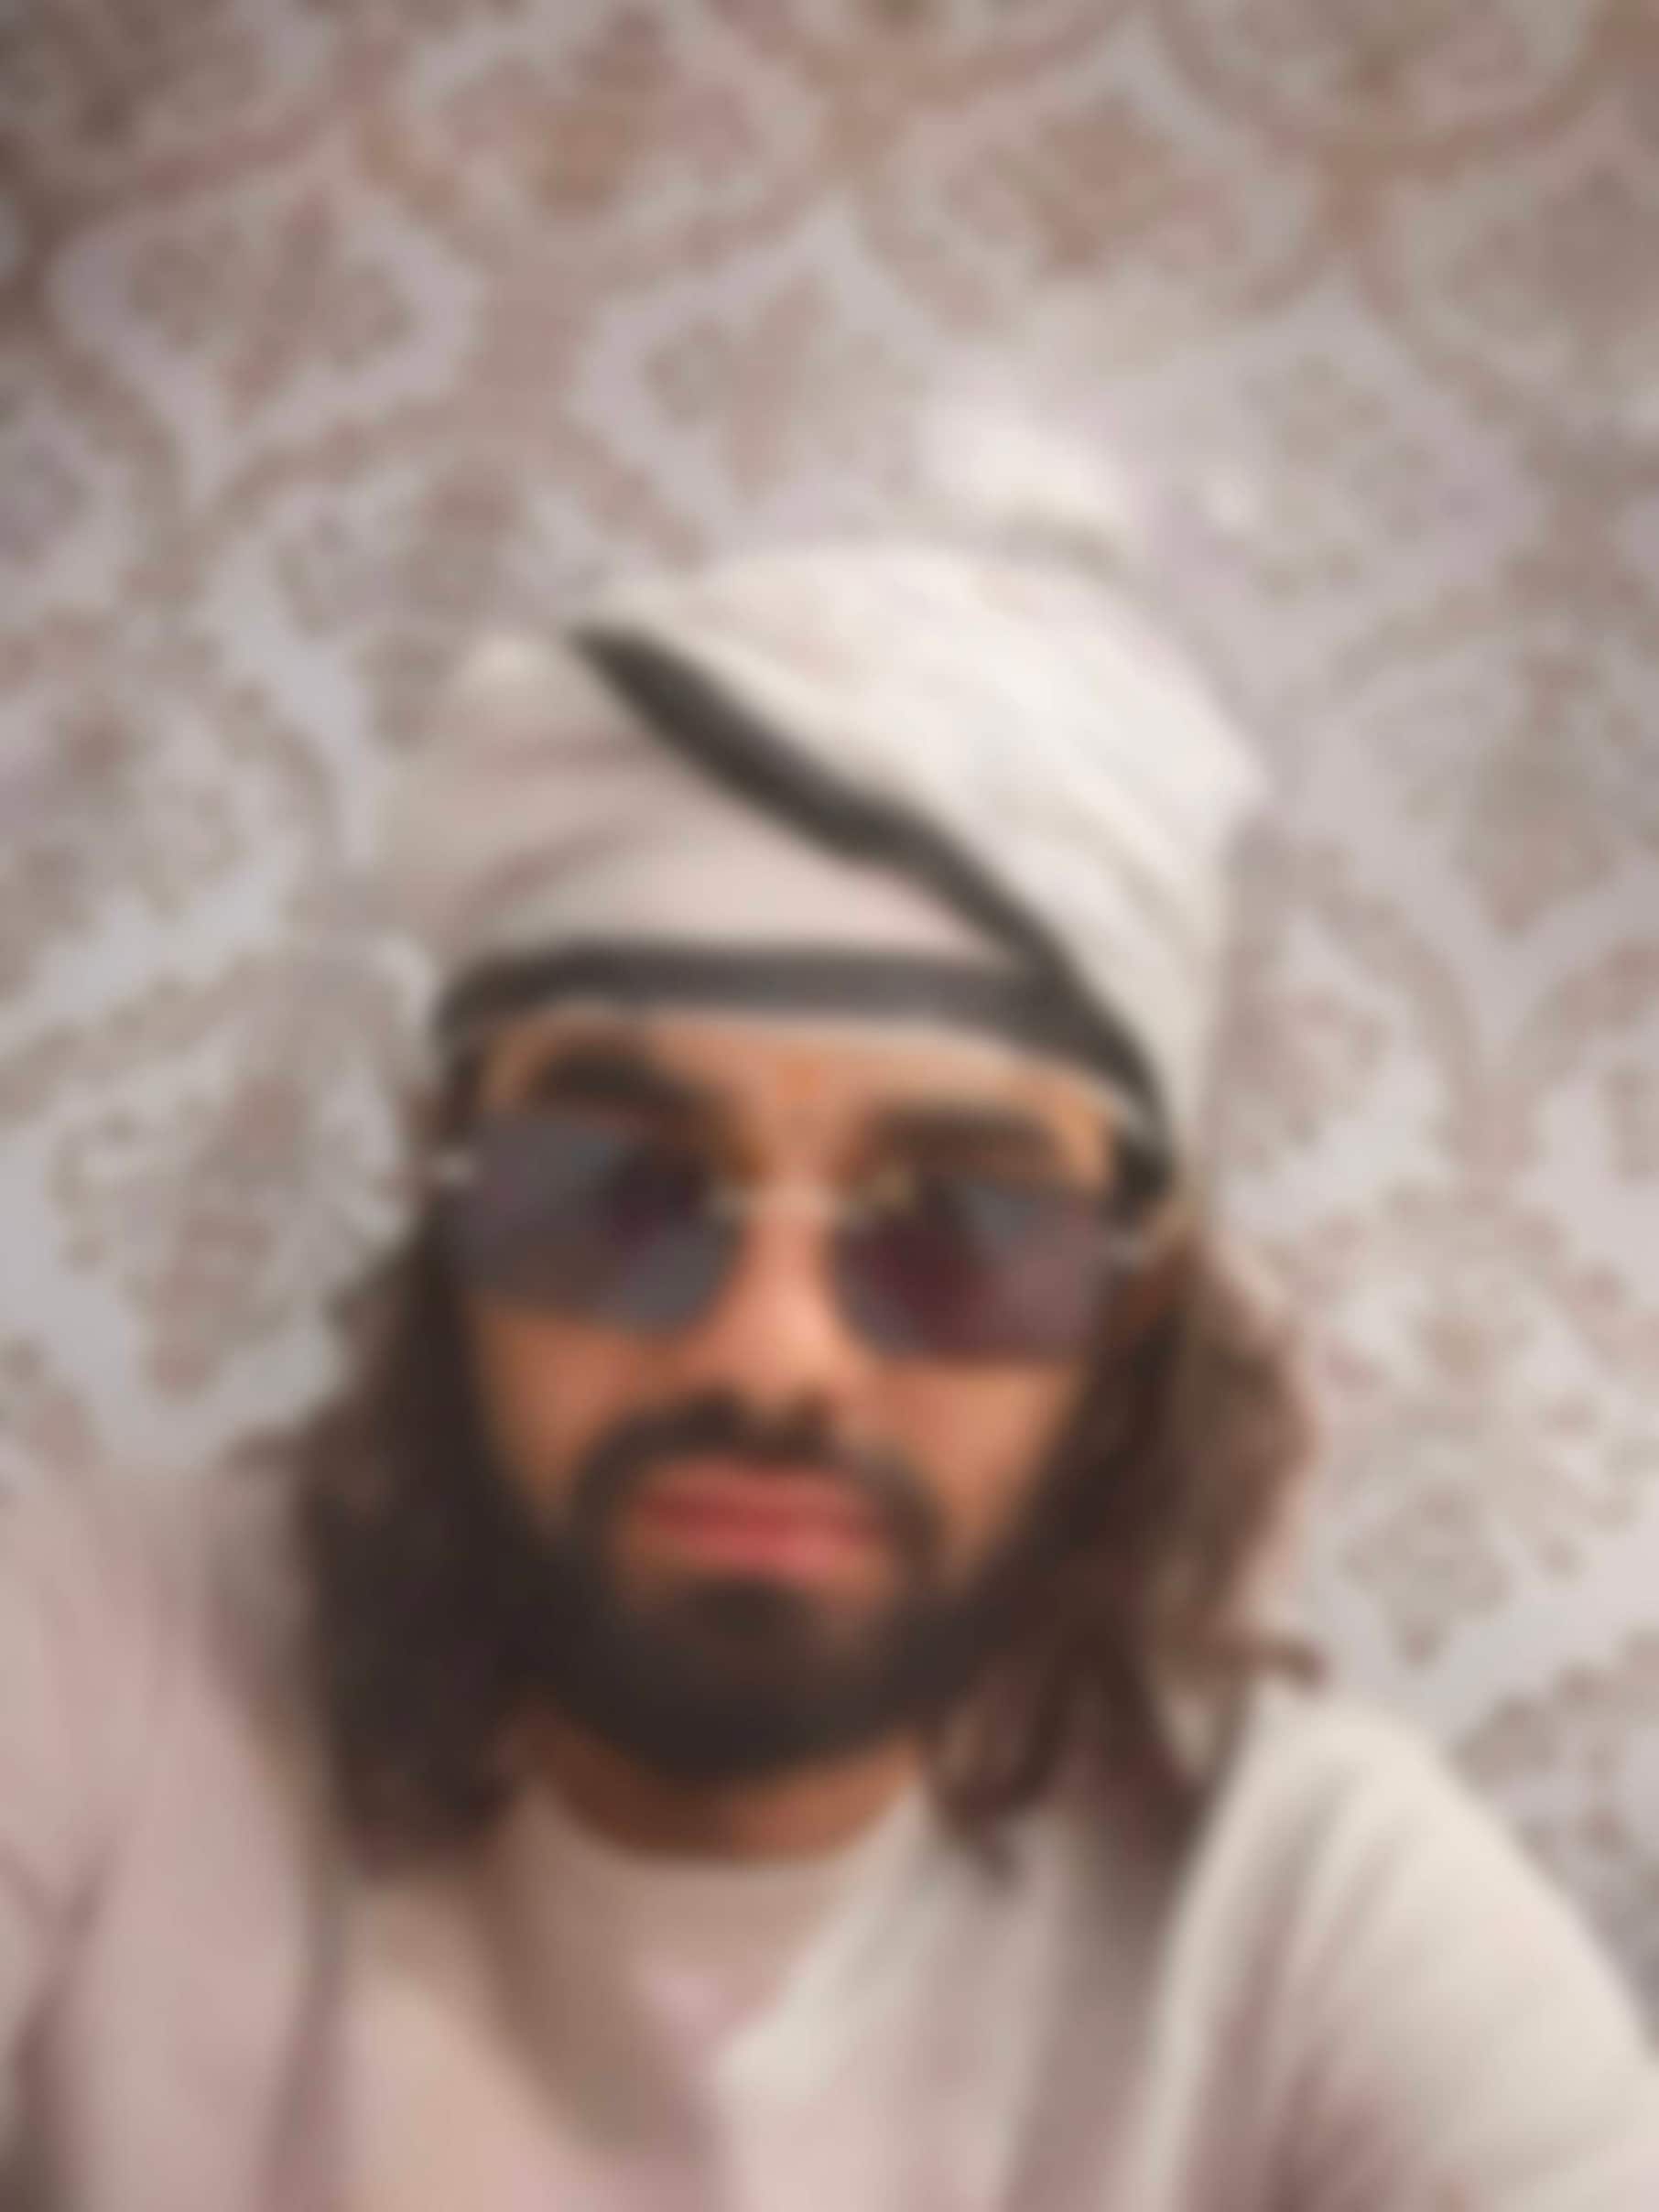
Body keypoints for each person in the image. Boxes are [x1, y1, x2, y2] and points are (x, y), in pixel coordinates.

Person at [1, 540, 1654, 2212]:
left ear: (1129, 1313)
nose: (771, 1351)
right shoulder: (104, 1654)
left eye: (960, 1227)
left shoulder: (1312, 1916)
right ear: (451, 1217)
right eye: (613, 1191)